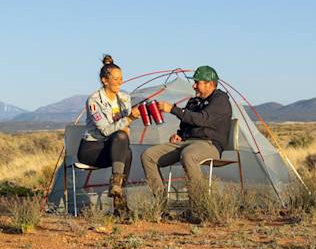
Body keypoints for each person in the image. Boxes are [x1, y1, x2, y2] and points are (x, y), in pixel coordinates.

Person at [140, 65, 232, 201]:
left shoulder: (220, 100)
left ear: (210, 84)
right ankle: (161, 203)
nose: (194, 86)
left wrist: (173, 109)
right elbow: (186, 124)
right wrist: (180, 135)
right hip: (186, 143)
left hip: (209, 144)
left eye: (197, 83)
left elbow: (202, 119)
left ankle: (198, 206)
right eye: (194, 82)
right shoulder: (193, 101)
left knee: (189, 155)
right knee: (148, 156)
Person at [78, 54, 141, 214]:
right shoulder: (94, 100)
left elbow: (125, 127)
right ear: (104, 81)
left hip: (113, 146)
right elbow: (105, 130)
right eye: (115, 78)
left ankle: (117, 196)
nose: (120, 82)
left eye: (121, 78)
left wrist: (128, 121)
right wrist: (129, 119)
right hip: (92, 149)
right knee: (121, 140)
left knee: (126, 150)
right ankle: (119, 200)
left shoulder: (125, 97)